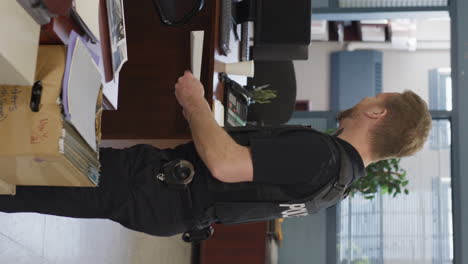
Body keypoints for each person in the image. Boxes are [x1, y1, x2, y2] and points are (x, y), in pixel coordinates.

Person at [0, 71, 432, 240]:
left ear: (377, 113)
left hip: (154, 189)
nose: (363, 99)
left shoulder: (321, 155)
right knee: (38, 188)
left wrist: (194, 102)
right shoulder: (337, 186)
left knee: (32, 179)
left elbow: (225, 164)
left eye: (373, 96)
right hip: (172, 208)